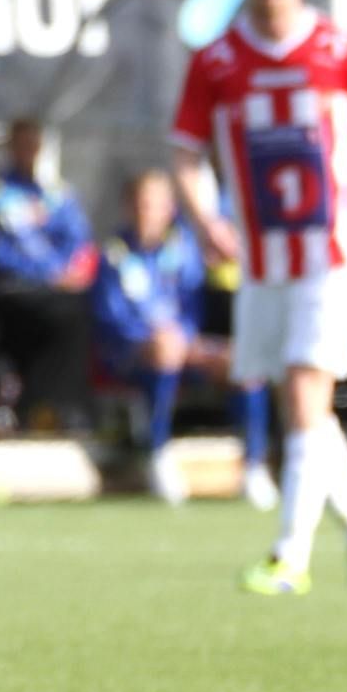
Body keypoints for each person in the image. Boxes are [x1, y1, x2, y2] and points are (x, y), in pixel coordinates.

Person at [170, 0, 347, 594]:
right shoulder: (216, 61)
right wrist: (206, 219)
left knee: (307, 395)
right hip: (260, 261)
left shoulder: (341, 48)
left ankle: (290, 557)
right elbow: (184, 151)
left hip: (332, 256)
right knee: (302, 408)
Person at [90, 169, 227, 503]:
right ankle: (157, 453)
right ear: (128, 206)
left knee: (239, 362)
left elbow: (192, 307)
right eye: (141, 204)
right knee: (163, 351)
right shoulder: (115, 254)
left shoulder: (182, 249)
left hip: (181, 347)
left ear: (169, 209)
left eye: (155, 205)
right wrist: (150, 339)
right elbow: (111, 317)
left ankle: (256, 464)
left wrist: (183, 338)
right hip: (130, 355)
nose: (147, 213)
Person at [0, 117, 97, 434]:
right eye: (22, 145)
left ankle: (61, 407)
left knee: (79, 311)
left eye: (33, 145)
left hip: (56, 289)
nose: (28, 152)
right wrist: (46, 275)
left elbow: (77, 239)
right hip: (13, 290)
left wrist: (67, 270)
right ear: (11, 149)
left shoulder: (57, 194)